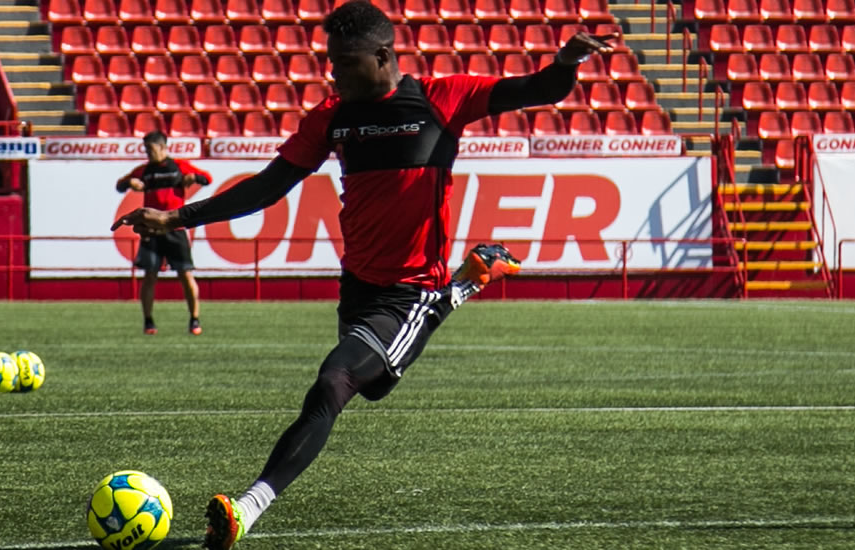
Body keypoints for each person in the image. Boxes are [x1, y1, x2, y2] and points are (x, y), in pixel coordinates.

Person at [110, 2, 617, 547]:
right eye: (330, 62)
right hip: (357, 288)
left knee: (335, 382)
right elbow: (269, 185)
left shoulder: (442, 97)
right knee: (370, 388)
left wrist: (564, 64)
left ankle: (246, 508)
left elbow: (536, 90)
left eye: (344, 63)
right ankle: (471, 279)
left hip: (409, 290)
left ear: (381, 56)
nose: (333, 73)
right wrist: (177, 215)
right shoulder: (332, 116)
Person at [115, 130, 212, 335]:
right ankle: (148, 321)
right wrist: (128, 183)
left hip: (175, 229)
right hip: (151, 230)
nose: (148, 153)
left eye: (150, 149)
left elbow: (207, 178)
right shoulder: (144, 171)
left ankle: (194, 319)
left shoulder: (178, 166)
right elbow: (119, 185)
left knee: (186, 274)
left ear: (162, 147)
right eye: (146, 150)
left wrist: (194, 178)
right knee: (150, 275)